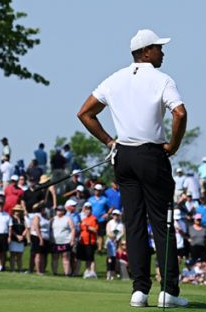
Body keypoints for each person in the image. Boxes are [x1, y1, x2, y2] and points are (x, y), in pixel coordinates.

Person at [75, 29, 188, 308]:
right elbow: (180, 113)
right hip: (151, 156)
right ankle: (169, 292)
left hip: (123, 156)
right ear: (146, 51)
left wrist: (109, 142)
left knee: (134, 224)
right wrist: (173, 146)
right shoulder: (162, 79)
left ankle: (140, 291)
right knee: (162, 224)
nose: (163, 52)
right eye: (159, 48)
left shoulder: (114, 79)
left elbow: (84, 113)